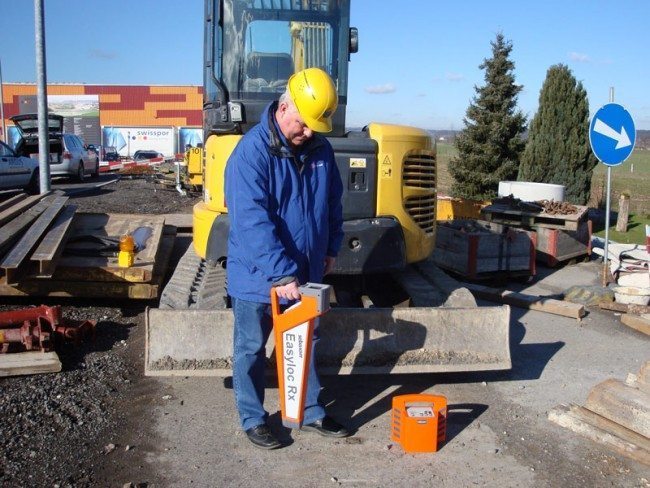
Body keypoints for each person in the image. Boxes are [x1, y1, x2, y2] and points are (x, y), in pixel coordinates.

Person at [225, 67, 348, 449]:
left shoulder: (321, 150)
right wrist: (281, 273)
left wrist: (329, 248)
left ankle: (308, 410)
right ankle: (253, 416)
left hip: (305, 270)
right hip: (257, 274)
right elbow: (251, 221)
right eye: (303, 124)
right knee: (250, 346)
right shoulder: (250, 153)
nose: (308, 132)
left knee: (303, 342)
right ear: (283, 107)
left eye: (315, 126)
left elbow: (332, 204)